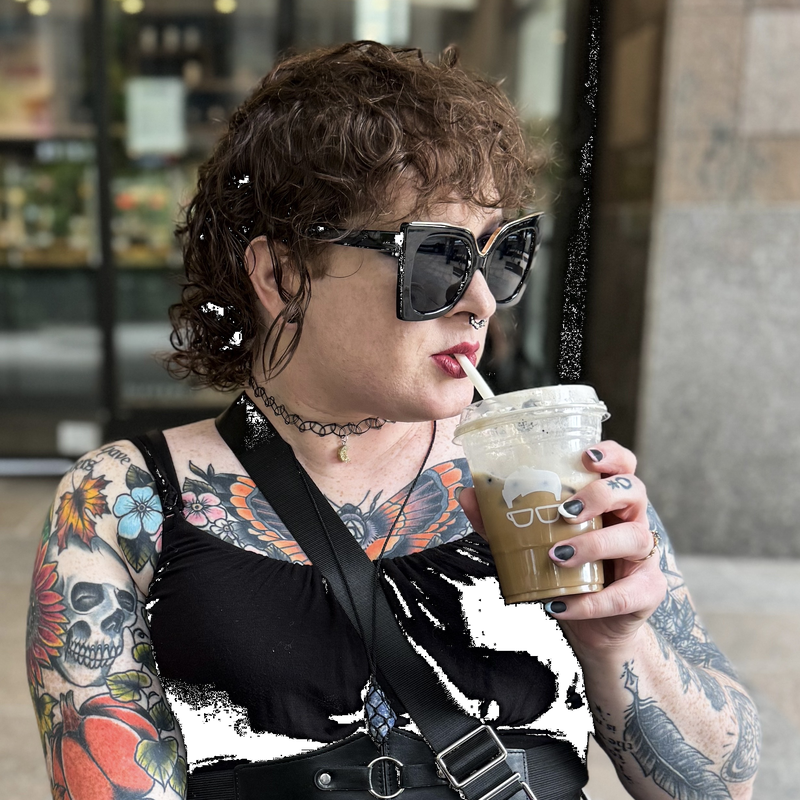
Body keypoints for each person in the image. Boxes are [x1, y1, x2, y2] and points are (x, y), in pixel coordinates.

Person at [27, 42, 759, 800]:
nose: (482, 300)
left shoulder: (555, 471)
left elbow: (718, 787)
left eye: (501, 254)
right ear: (281, 273)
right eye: (438, 259)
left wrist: (618, 642)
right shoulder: (121, 502)